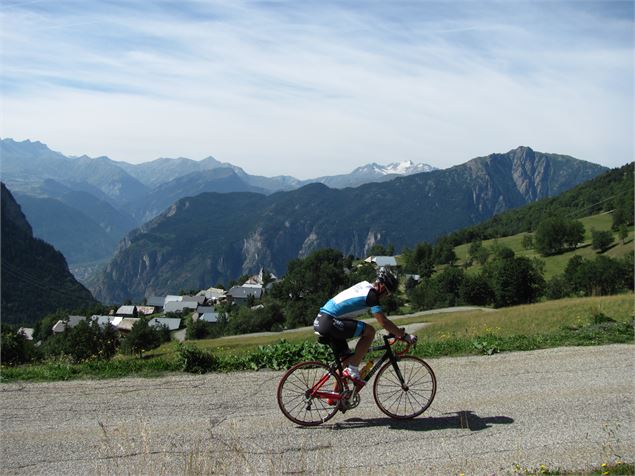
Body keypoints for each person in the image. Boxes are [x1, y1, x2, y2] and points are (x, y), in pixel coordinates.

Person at [313, 268, 417, 385]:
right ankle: (353, 368)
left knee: (345, 362)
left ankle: (338, 398)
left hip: (322, 320)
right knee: (370, 331)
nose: (386, 297)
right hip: (329, 321)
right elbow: (383, 322)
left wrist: (394, 331)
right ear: (382, 287)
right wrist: (404, 335)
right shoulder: (371, 295)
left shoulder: (364, 286)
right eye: (387, 293)